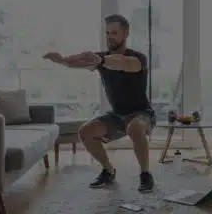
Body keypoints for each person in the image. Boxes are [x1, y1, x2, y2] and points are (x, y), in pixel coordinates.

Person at [43, 14, 156, 193]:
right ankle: (109, 171)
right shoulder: (101, 58)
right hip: (117, 116)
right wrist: (62, 60)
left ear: (125, 34)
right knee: (85, 132)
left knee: (135, 128)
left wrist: (100, 61)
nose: (109, 37)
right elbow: (80, 60)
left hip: (141, 114)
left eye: (114, 32)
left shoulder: (138, 58)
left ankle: (145, 174)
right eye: (107, 33)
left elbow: (122, 63)